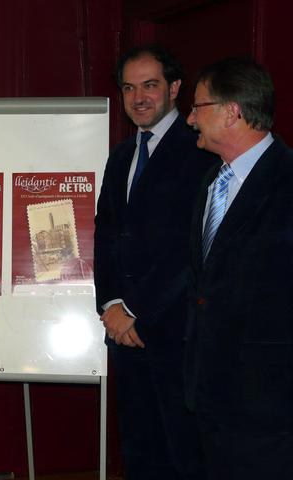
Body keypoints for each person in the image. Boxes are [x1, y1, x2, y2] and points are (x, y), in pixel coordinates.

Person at [94, 45, 216, 479]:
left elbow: (190, 248)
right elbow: (107, 235)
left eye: (150, 85)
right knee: (139, 454)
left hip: (173, 335)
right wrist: (111, 304)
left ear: (175, 88)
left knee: (182, 458)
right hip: (123, 336)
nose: (138, 97)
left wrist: (135, 310)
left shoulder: (201, 150)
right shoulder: (121, 156)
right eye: (129, 88)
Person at [184, 57, 293, 478]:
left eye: (198, 107)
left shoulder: (286, 181)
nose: (190, 119)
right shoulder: (212, 182)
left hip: (270, 406)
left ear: (231, 112)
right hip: (210, 395)